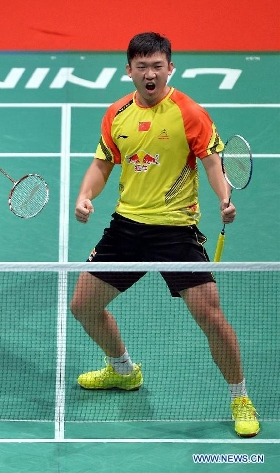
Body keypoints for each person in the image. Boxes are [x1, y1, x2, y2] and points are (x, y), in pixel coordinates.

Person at [70, 32, 259, 438]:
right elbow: (102, 163)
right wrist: (85, 195)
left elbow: (211, 163)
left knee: (210, 315)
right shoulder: (116, 114)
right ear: (130, 71)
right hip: (126, 228)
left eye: (158, 66)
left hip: (176, 231)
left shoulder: (190, 112)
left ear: (170, 68)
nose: (150, 73)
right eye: (142, 67)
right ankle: (123, 370)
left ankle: (240, 396)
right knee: (83, 306)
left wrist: (225, 198)